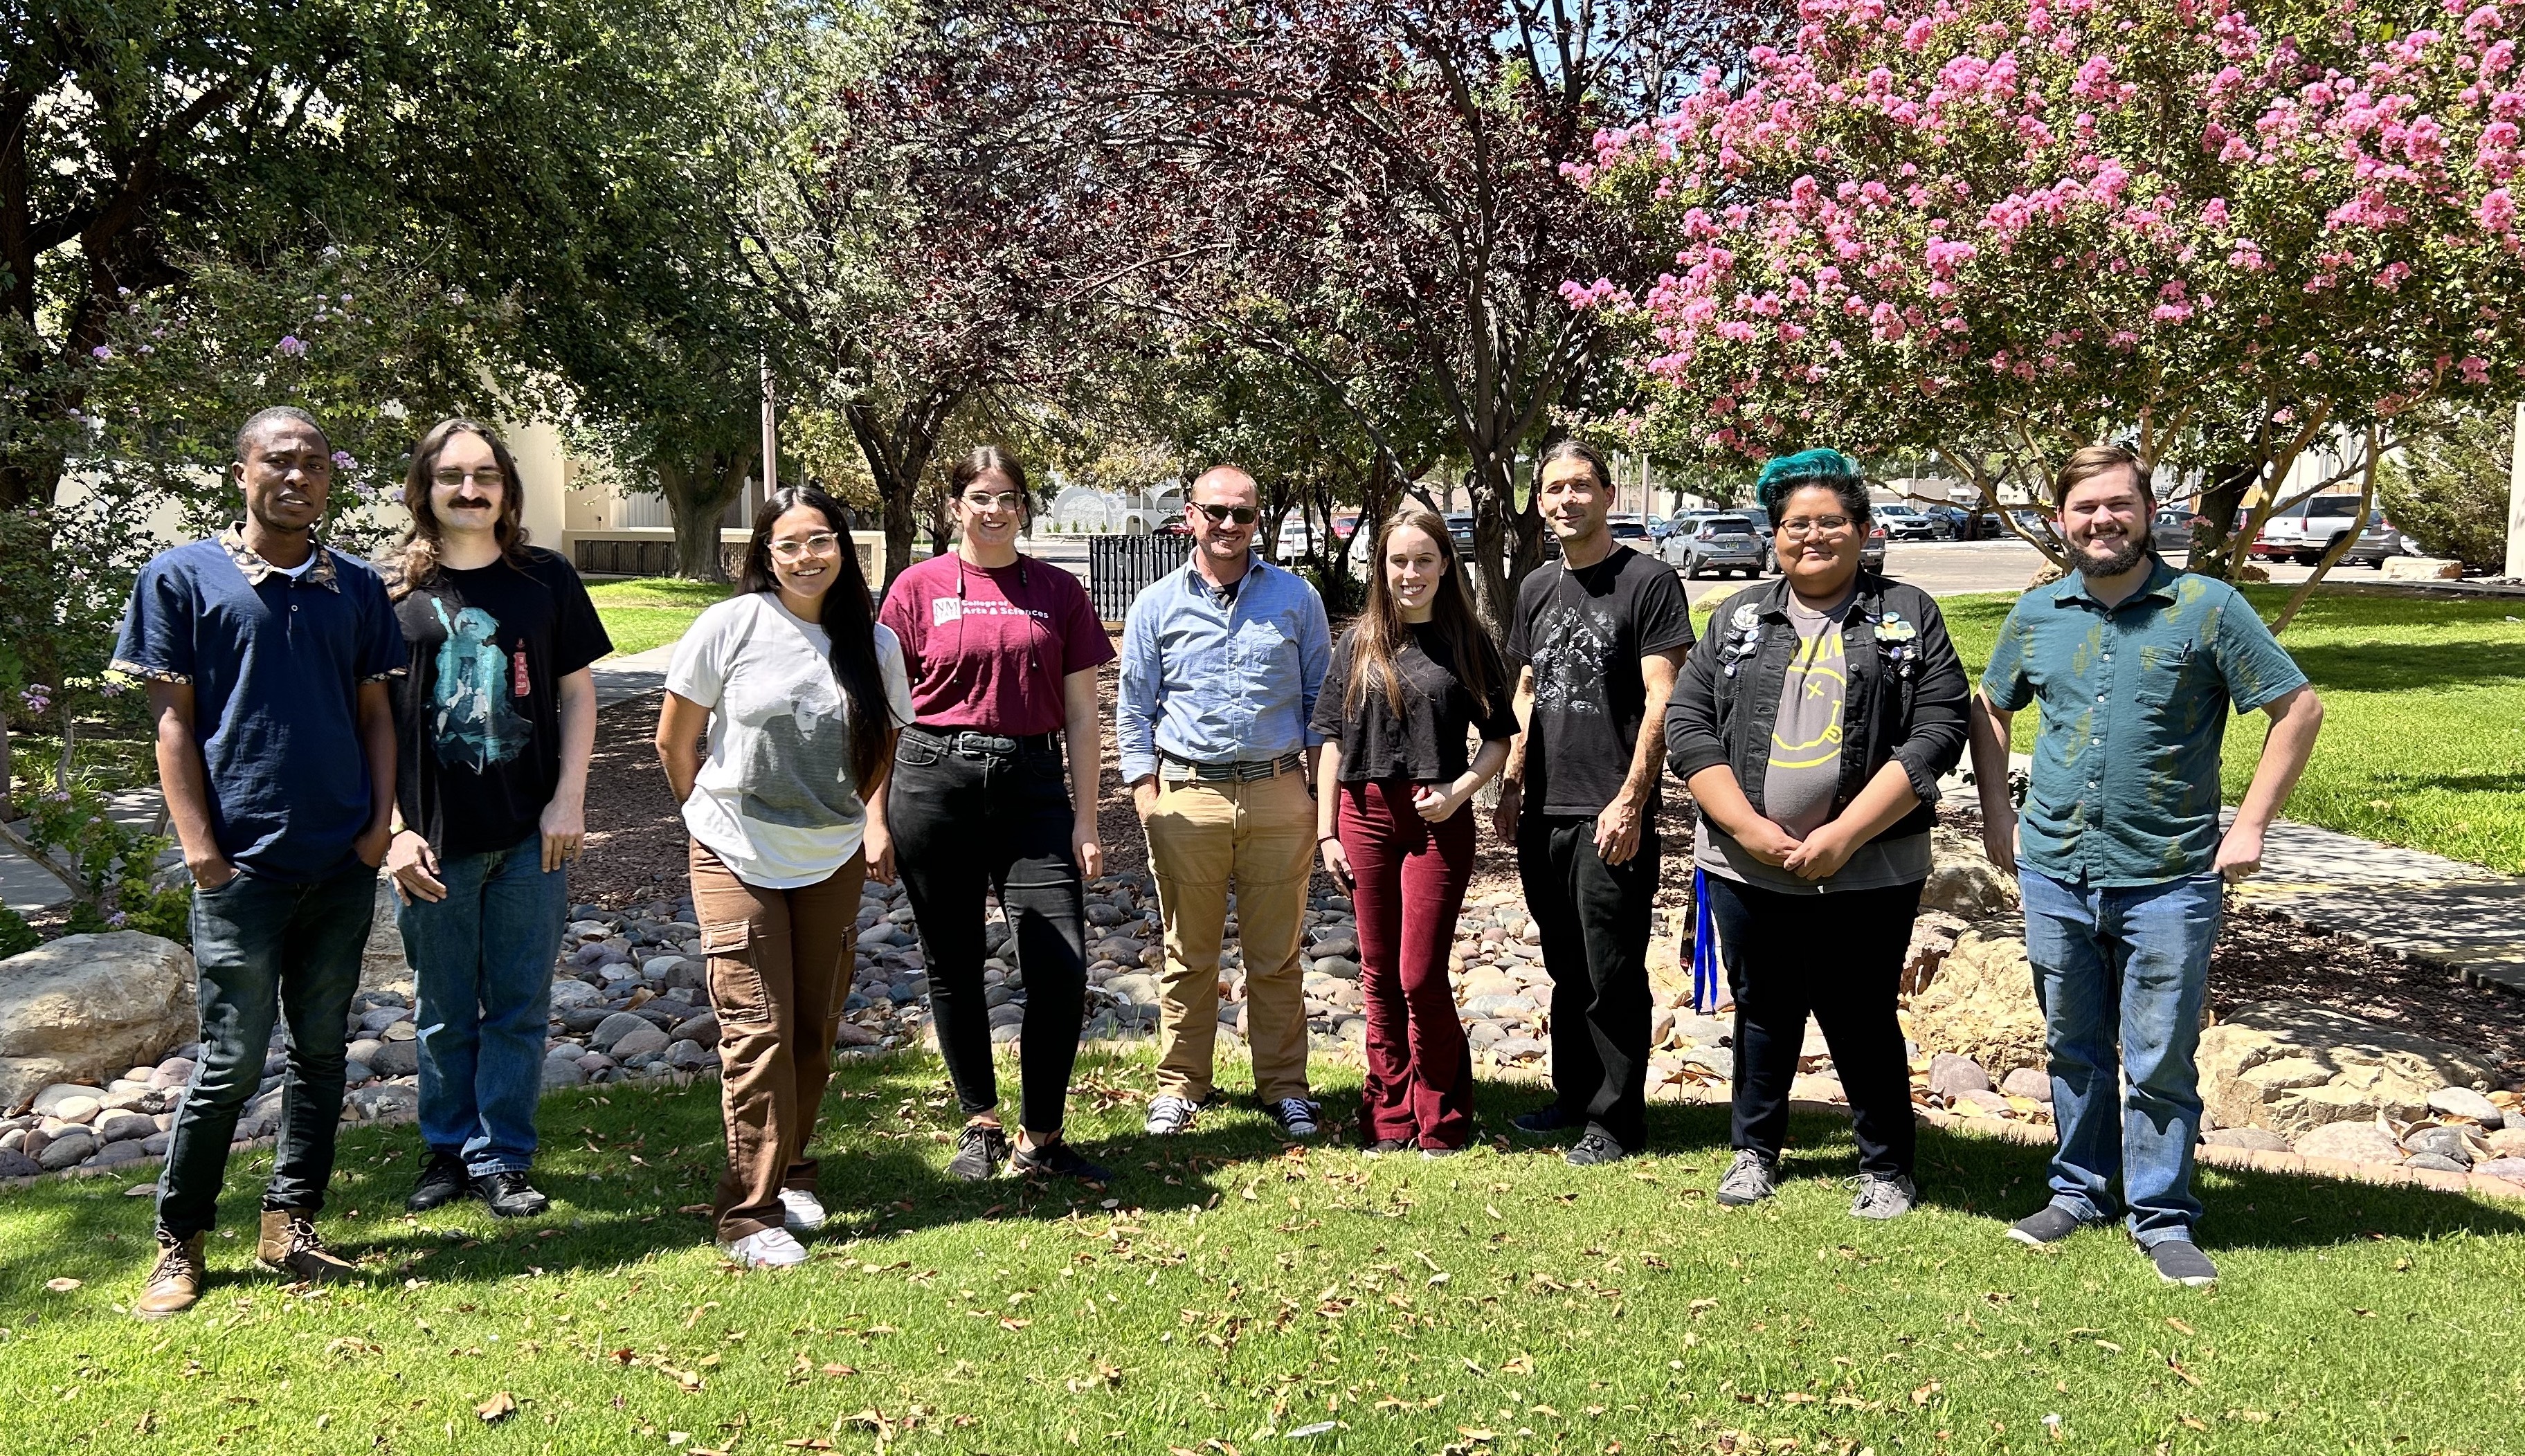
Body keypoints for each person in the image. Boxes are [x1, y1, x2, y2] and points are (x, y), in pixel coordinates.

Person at [1971, 443, 2324, 1289]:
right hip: (2056, 869)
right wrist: (1996, 816)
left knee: (2160, 1055)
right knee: (2070, 1045)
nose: (2102, 521)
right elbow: (1992, 707)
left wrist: (2251, 827)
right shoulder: (2038, 613)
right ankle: (2079, 1190)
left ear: (2147, 511)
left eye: (2117, 505)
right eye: (2085, 507)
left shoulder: (2208, 608)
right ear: (2062, 519)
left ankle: (2163, 1217)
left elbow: (2297, 707)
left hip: (2168, 875)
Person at [111, 406, 406, 1318]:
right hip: (243, 873)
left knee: (322, 1055)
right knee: (232, 1064)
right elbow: (172, 723)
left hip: (340, 866)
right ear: (241, 472)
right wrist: (202, 852)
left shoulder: (353, 586)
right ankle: (180, 1240)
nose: (299, 477)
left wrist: (377, 829)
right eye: (279, 461)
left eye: (314, 464)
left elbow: (376, 717)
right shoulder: (181, 578)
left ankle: (292, 1223)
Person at [1665, 449, 1969, 1218]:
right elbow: (1690, 725)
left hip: (1873, 863)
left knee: (1861, 1009)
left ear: (1864, 531)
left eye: (1831, 522)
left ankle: (1887, 1165)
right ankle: (1753, 1151)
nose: (1812, 536)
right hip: (1744, 863)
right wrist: (1749, 829)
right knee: (1763, 1008)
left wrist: (1846, 834)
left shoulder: (1908, 613)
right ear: (1774, 534)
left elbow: (1938, 727)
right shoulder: (1739, 615)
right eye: (1794, 523)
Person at [655, 486, 914, 1267]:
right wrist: (705, 814)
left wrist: (869, 821)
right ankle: (746, 1212)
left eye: (821, 540)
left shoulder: (874, 645)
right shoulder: (731, 625)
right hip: (735, 848)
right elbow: (675, 740)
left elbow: (884, 745)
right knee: (756, 1027)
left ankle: (793, 1168)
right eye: (790, 544)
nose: (807, 557)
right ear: (765, 555)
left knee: (812, 1026)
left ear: (844, 546)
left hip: (828, 853)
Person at [382, 419, 611, 1219]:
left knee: (518, 1003)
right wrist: (394, 829)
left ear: (507, 491)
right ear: (426, 489)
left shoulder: (545, 579)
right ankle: (446, 1151)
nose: (470, 490)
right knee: (442, 1006)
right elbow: (368, 724)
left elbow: (578, 694)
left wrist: (569, 797)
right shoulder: (392, 597)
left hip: (529, 836)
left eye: (486, 475)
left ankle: (503, 1156)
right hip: (431, 845)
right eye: (453, 476)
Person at [872, 446, 1114, 1185]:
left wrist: (1087, 819)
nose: (994, 509)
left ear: (1022, 507)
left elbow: (1081, 713)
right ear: (955, 505)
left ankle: (1042, 1137)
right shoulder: (915, 589)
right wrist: (873, 814)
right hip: (931, 778)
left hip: (1033, 784)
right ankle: (980, 1121)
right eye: (980, 495)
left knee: (1059, 967)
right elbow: (883, 713)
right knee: (953, 965)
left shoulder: (1058, 591)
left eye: (1008, 496)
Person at [1493, 439, 1694, 1166]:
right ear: (1540, 501)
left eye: (1581, 486)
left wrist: (1632, 801)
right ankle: (1575, 1095)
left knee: (1611, 970)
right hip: (1544, 807)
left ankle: (1616, 1119)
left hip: (1608, 809)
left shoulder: (1647, 582)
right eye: (1553, 489)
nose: (1566, 500)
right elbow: (1526, 689)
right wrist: (1512, 782)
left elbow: (1662, 697)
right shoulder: (1537, 587)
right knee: (1565, 964)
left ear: (1608, 494)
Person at [1117, 464, 1332, 1138]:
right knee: (1189, 953)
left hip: (1277, 793)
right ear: (1190, 515)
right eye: (1217, 512)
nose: (1231, 525)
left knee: (1276, 955)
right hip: (1188, 795)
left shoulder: (1297, 600)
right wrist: (1147, 797)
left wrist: (1321, 809)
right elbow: (1133, 711)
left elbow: (1321, 710)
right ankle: (1182, 1085)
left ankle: (1285, 1086)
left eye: (1243, 513)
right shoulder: (1156, 603)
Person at [1312, 507, 1514, 1155]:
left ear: (1445, 565)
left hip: (1438, 822)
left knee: (1419, 974)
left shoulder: (1467, 641)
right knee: (1376, 971)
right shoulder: (1359, 642)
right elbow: (1331, 745)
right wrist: (1327, 834)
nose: (1410, 573)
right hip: (1364, 817)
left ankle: (1444, 1115)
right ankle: (1390, 1114)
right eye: (1398, 560)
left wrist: (1459, 793)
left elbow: (1499, 740)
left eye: (1424, 560)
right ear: (1382, 567)